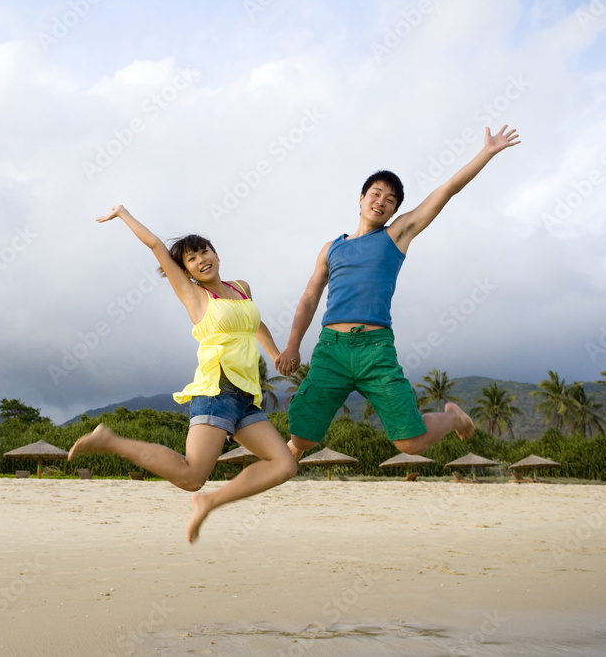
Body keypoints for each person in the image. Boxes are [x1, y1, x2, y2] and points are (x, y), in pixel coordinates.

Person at [275, 125, 521, 458]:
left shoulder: (397, 235)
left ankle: (452, 418)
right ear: (361, 198)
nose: (381, 202)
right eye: (375, 194)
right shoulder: (331, 248)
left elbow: (446, 190)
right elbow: (308, 299)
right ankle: (272, 468)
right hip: (331, 349)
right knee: (302, 439)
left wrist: (486, 154)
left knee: (409, 443)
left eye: (390, 200)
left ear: (394, 211)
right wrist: (292, 344)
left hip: (375, 350)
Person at [69, 205, 297, 543]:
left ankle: (209, 502)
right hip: (216, 390)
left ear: (216, 253)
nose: (201, 259)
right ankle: (110, 441)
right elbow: (156, 246)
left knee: (284, 465)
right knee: (191, 475)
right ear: (186, 270)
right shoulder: (193, 294)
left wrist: (276, 353)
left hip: (246, 395)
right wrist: (122, 213)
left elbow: (255, 322)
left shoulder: (242, 287)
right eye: (191, 258)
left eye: (204, 251)